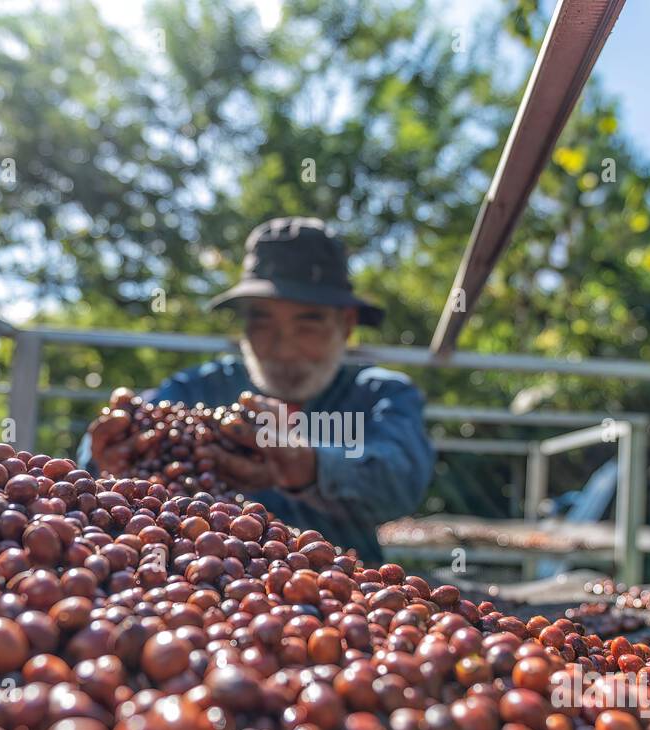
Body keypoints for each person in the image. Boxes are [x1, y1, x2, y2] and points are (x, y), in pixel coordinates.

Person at [78, 216, 434, 565]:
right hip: (210, 579)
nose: (283, 347)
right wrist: (107, 458)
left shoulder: (378, 395)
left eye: (307, 323)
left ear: (346, 324)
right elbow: (123, 434)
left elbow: (401, 479)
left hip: (342, 590)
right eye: (263, 321)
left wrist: (307, 467)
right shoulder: (204, 387)